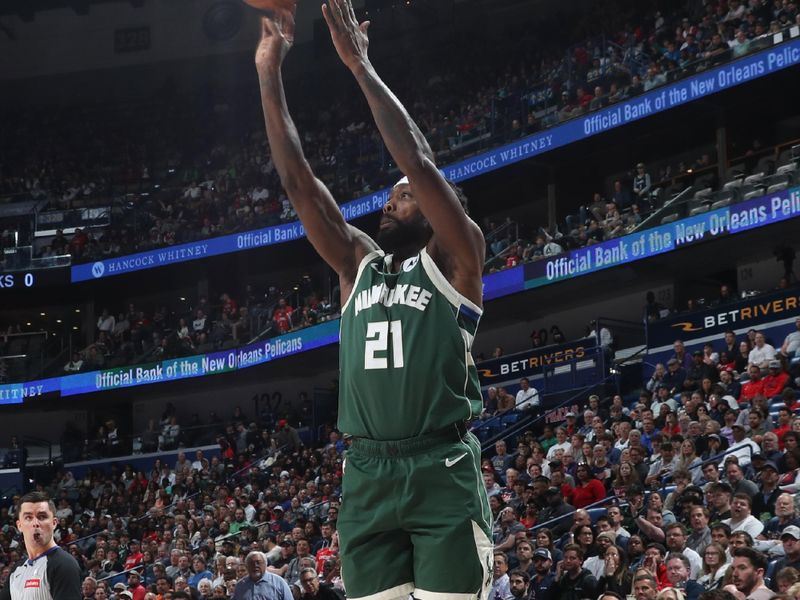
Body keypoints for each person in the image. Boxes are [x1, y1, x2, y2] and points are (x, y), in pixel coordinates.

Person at [255, 1, 491, 598]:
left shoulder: (457, 259)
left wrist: (360, 67)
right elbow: (297, 181)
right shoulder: (356, 264)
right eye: (390, 197)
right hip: (366, 474)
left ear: (441, 211)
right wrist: (268, 71)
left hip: (441, 471)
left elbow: (416, 159)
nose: (391, 201)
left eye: (406, 198)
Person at [0, 491, 81, 600]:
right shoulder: (16, 569)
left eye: (42, 517)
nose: (35, 523)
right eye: (28, 517)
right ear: (19, 525)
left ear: (54, 523)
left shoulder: (64, 565)